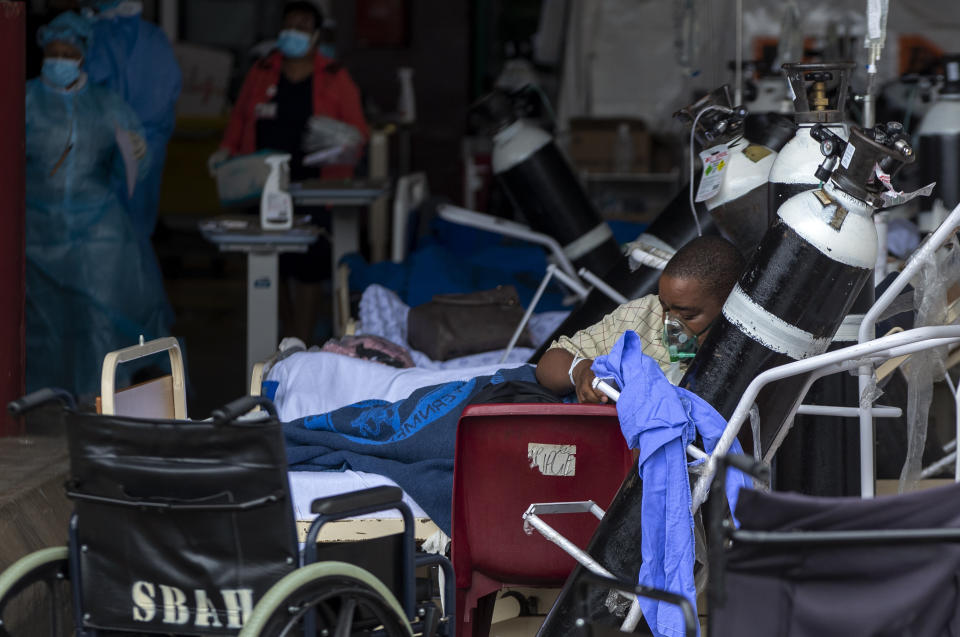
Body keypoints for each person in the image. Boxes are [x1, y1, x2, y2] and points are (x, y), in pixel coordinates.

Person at [25, 11, 169, 398]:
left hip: (98, 236)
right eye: (51, 51)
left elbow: (135, 165)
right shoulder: (23, 101)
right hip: (36, 235)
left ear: (82, 55)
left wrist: (139, 152)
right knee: (42, 325)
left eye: (66, 51)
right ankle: (42, 399)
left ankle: (100, 399)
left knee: (99, 321)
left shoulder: (106, 104)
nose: (58, 58)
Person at [210, 0, 369, 343]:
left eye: (302, 26)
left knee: (309, 267)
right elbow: (240, 118)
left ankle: (302, 338)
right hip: (265, 182)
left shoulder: (334, 76)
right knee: (271, 263)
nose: (293, 32)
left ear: (315, 35)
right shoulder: (262, 71)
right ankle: (287, 334)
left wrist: (347, 143)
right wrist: (226, 149)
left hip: (314, 186)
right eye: (289, 25)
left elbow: (358, 132)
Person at [536, 235, 745, 402]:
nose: (670, 325)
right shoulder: (642, 315)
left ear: (731, 305)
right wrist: (581, 370)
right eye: (666, 308)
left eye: (688, 315)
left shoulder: (757, 349)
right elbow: (548, 365)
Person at [83, 0, 182, 244]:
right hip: (141, 144)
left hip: (127, 145)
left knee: (116, 233)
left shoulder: (100, 35)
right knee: (128, 233)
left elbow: (89, 89)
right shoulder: (151, 38)